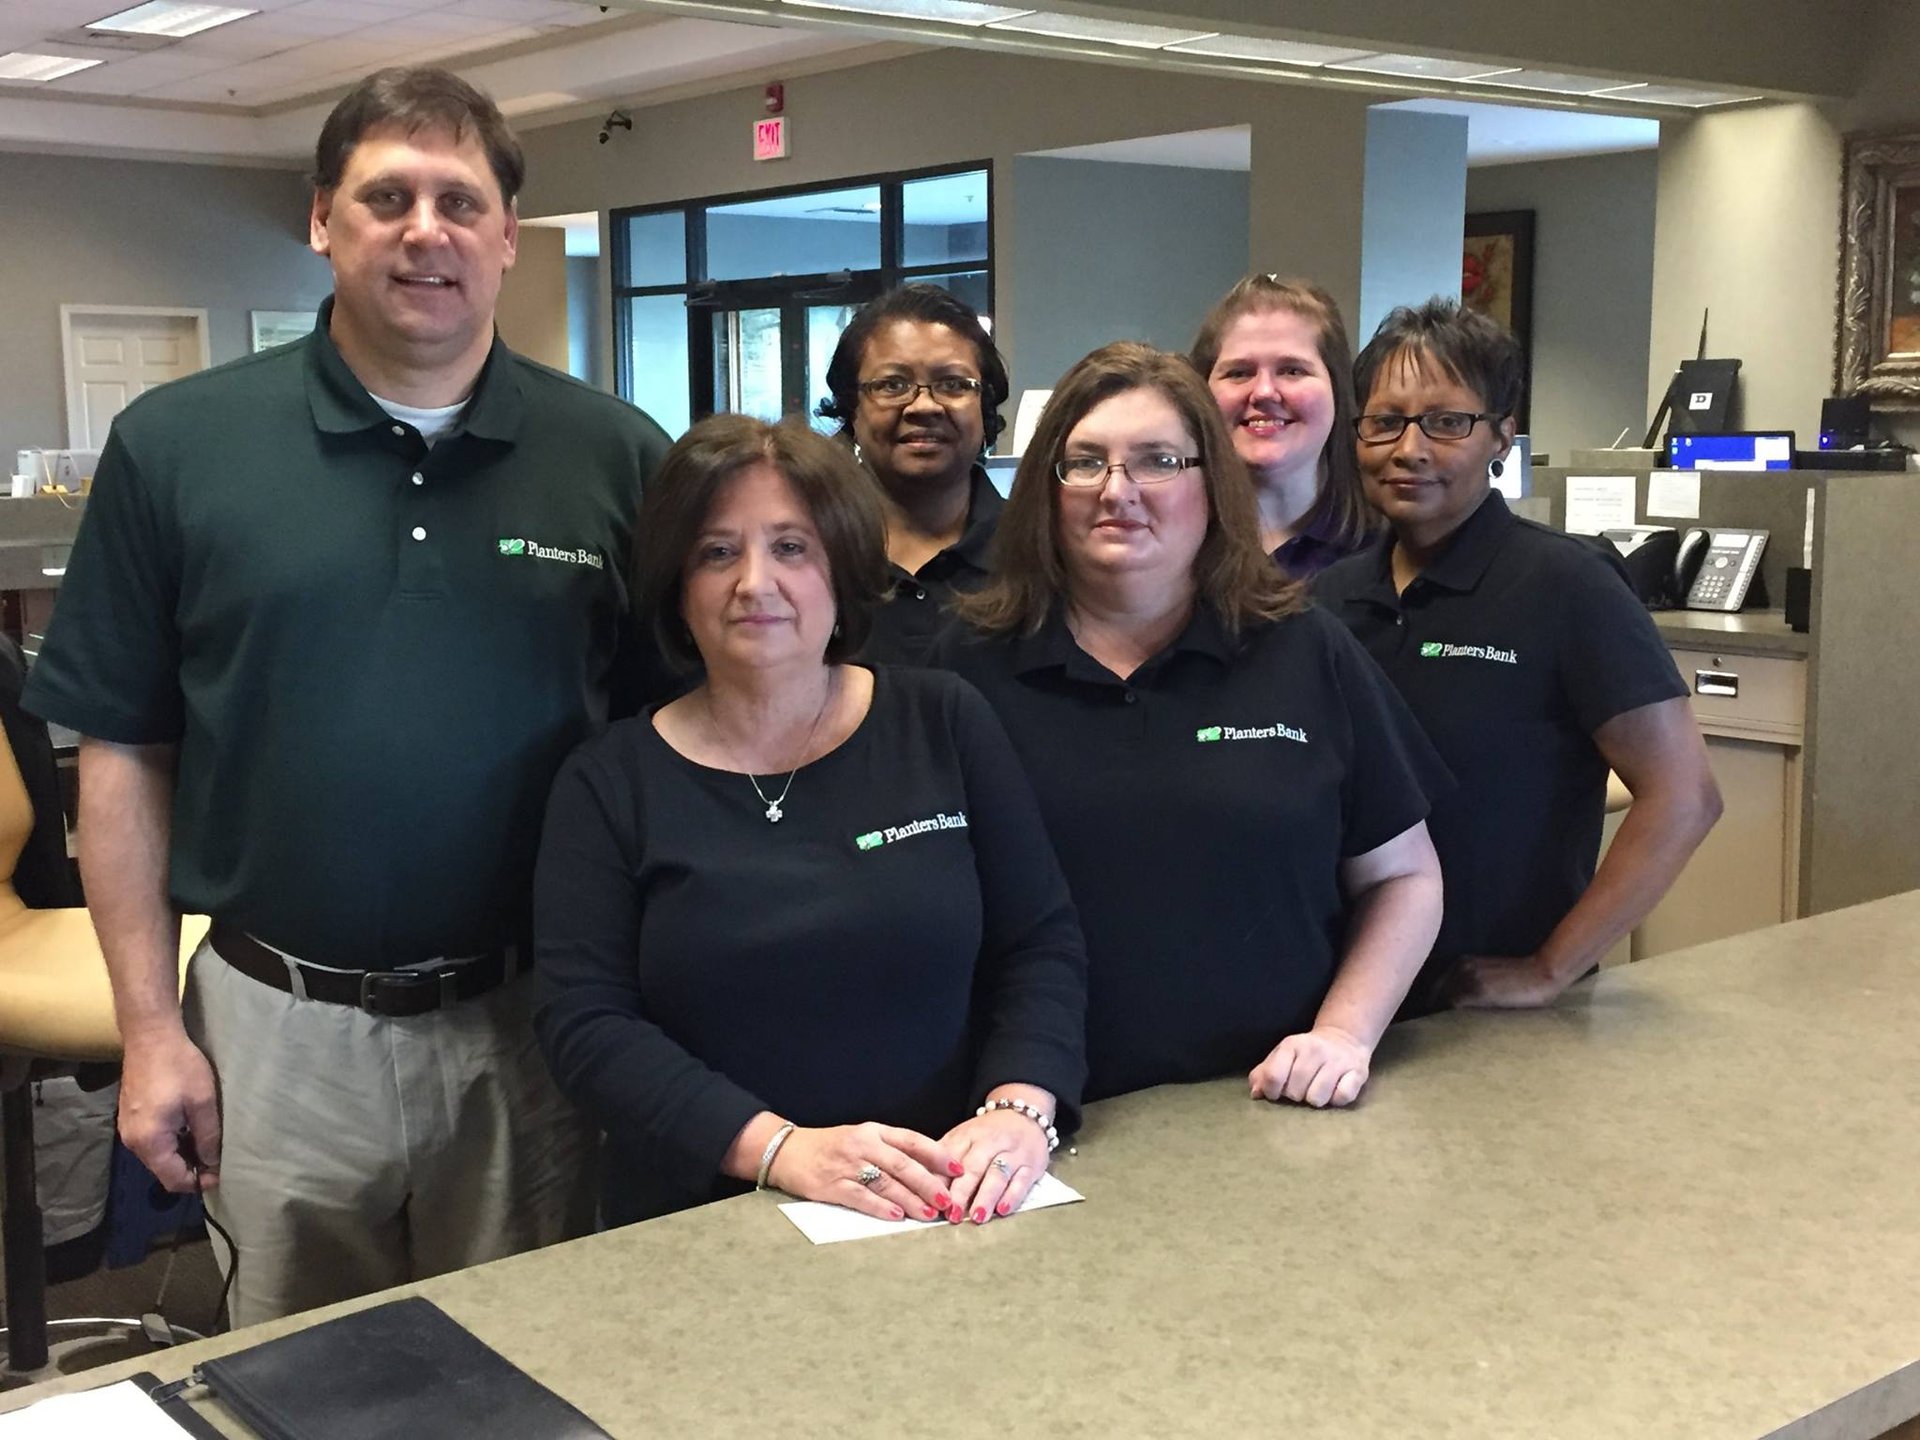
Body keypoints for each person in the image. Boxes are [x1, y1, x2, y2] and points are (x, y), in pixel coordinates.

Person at [22, 66, 671, 1325]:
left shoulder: (614, 453)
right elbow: (123, 756)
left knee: (535, 1362)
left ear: (506, 236)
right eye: (387, 196)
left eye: (458, 201)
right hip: (276, 1023)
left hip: (531, 1017)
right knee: (303, 1374)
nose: (425, 229)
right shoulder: (178, 445)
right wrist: (151, 1031)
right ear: (324, 219)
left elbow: (667, 743)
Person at [533, 415, 1086, 1228]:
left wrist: (1019, 1107)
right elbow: (586, 1023)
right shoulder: (610, 779)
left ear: (845, 567)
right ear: (677, 587)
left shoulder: (943, 722)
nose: (756, 582)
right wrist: (779, 1150)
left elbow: (1039, 941)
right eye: (718, 552)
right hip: (707, 1215)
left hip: (953, 1197)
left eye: (792, 547)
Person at [932, 342, 1446, 1108]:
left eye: (1158, 461)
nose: (1118, 490)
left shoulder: (1303, 648)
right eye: (1084, 462)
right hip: (1039, 1118)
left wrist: (1344, 1034)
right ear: (1046, 487)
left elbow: (1404, 875)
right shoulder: (965, 667)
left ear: (1213, 485)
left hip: (1272, 1104)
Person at [1315, 298, 1723, 1013]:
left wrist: (1550, 969)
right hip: (1345, 1000)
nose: (1409, 448)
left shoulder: (1567, 584)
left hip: (1490, 1011)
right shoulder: (1332, 596)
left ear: (1503, 437)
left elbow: (1684, 797)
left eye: (1447, 422)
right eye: (1384, 421)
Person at [815, 284, 1010, 665]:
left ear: (984, 405)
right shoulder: (808, 551)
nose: (923, 406)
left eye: (953, 384)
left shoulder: (1040, 554)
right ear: (851, 408)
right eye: (892, 385)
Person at [1191, 275, 1378, 580]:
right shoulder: (1167, 547)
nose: (1264, 391)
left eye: (1292, 370)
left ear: (1337, 388)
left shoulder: (1389, 549)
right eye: (1239, 372)